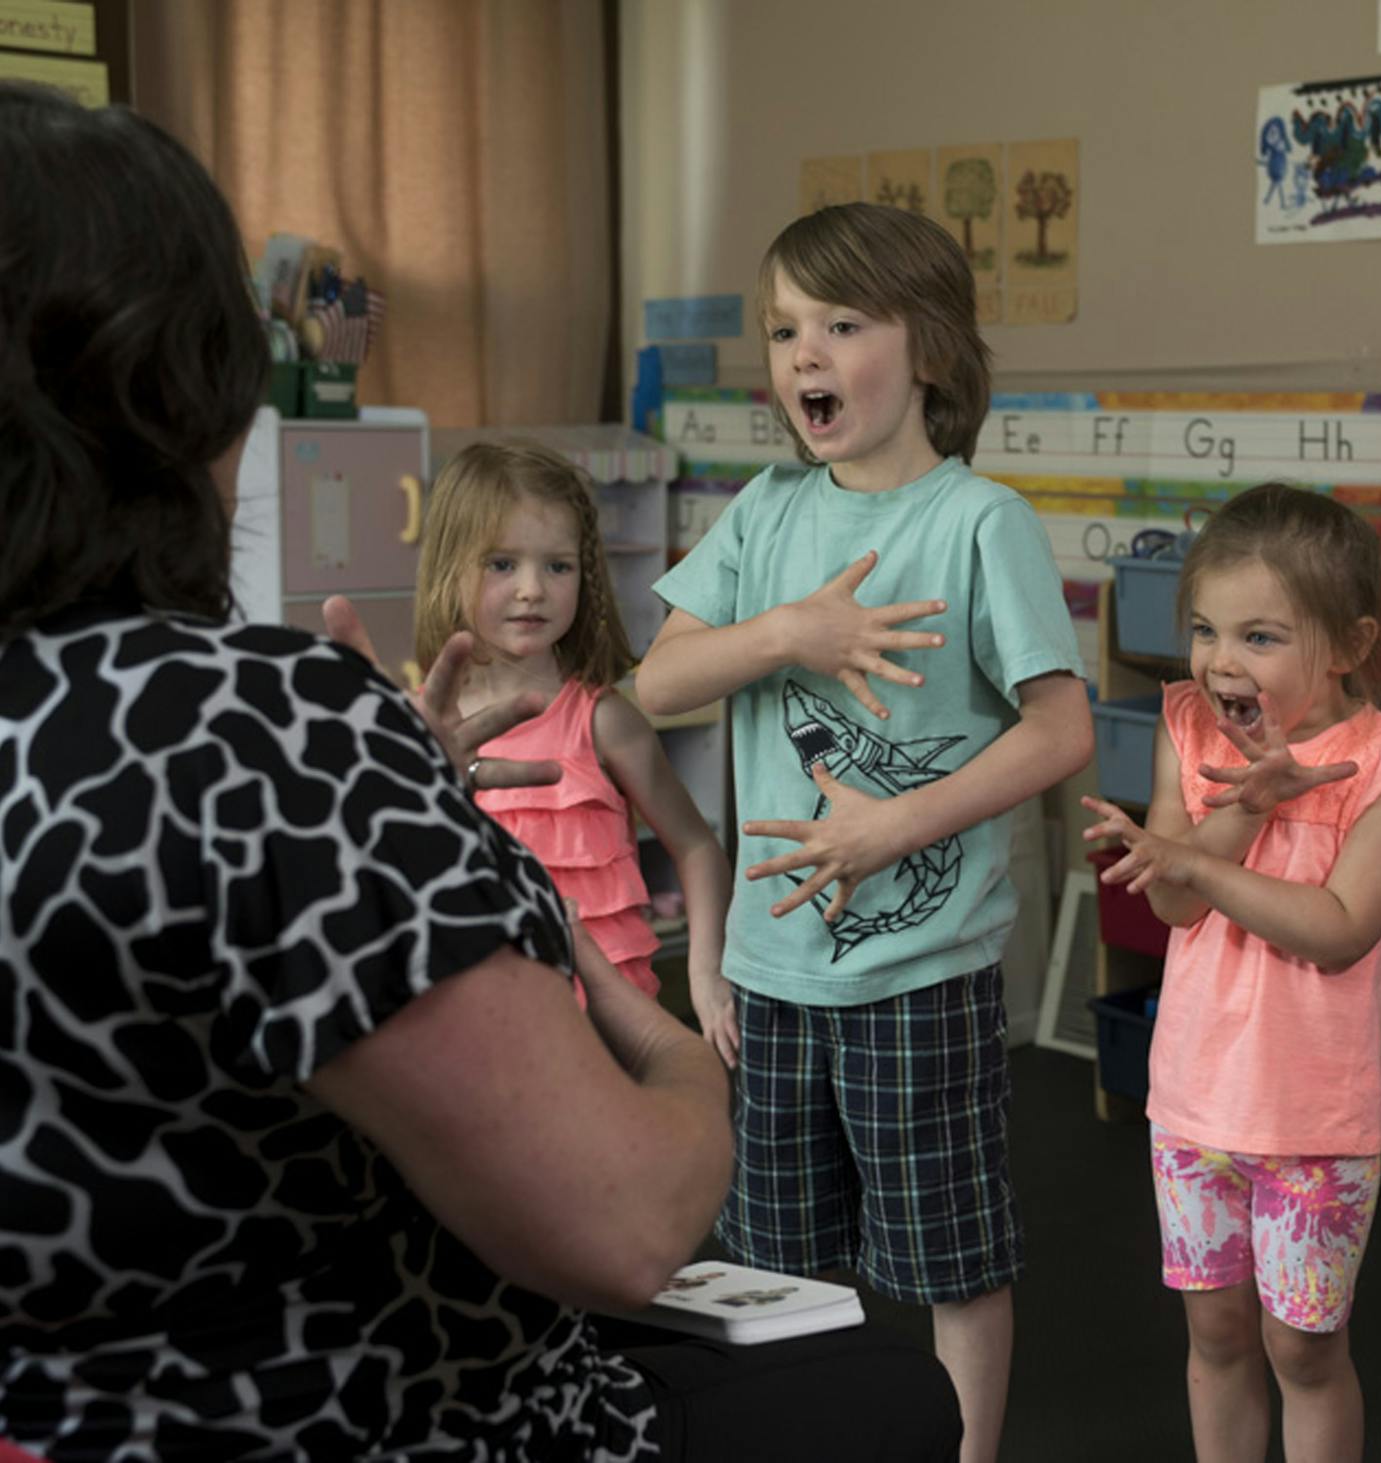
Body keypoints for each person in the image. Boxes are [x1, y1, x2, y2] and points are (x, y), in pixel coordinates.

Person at [0, 83, 959, 1461]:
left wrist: (397, 807)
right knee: (882, 1385)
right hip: (338, 1416)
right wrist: (677, 1053)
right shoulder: (257, 730)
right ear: (195, 390)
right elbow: (623, 1221)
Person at [634, 202, 1095, 1463]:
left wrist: (895, 826)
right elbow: (655, 684)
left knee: (950, 1253)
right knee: (775, 1259)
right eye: (786, 329)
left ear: (929, 350)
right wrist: (788, 633)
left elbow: (1059, 732)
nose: (806, 356)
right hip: (772, 973)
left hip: (917, 975)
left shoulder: (974, 520)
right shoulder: (767, 511)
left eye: (843, 323)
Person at [1080, 483, 1381, 1463]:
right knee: (1214, 1335)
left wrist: (1200, 856)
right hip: (1194, 1104)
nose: (1218, 659)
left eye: (1258, 636)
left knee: (1303, 1346)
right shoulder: (1188, 729)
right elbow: (1171, 903)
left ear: (1345, 643)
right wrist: (1244, 808)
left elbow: (1335, 928)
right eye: (1205, 628)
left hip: (1312, 1121)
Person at [412, 440, 735, 1054]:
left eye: (558, 566)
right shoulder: (424, 727)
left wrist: (705, 975)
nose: (533, 589)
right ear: (451, 564)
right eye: (501, 563)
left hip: (609, 1039)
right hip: (476, 1035)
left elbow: (696, 846)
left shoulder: (604, 722)